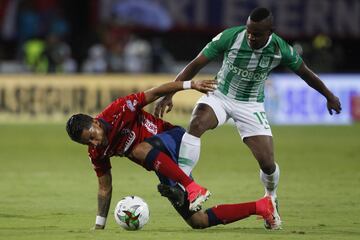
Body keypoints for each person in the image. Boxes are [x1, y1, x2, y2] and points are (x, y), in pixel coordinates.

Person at [154, 7, 342, 230]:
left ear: (270, 32)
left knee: (267, 163)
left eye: (257, 34)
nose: (251, 36)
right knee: (196, 123)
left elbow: (307, 74)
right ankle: (184, 184)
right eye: (249, 31)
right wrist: (170, 93)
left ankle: (270, 198)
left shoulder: (281, 49)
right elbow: (196, 63)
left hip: (250, 104)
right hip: (220, 95)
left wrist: (329, 96)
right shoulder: (230, 37)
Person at [66, 79, 280, 230]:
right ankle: (262, 206)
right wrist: (99, 225)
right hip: (163, 164)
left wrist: (190, 85)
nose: (95, 142)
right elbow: (104, 187)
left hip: (173, 138)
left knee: (137, 149)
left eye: (92, 135)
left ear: (95, 121)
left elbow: (154, 92)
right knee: (198, 221)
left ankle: (192, 187)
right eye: (88, 142)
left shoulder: (119, 110)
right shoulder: (96, 151)